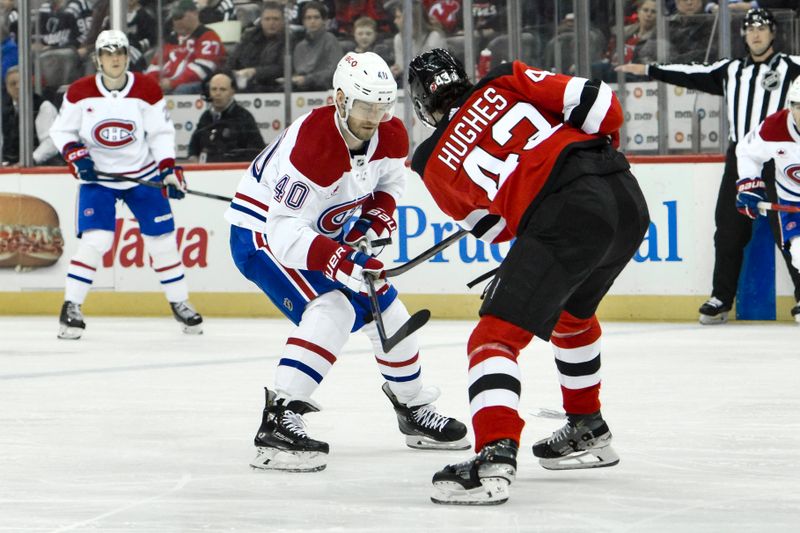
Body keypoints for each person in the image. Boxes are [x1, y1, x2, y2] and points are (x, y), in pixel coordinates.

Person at [408, 49, 650, 505]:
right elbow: (603, 107)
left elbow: (495, 229)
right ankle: (586, 426)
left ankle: (493, 457)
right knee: (572, 317)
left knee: (492, 339)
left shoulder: (428, 160)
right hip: (624, 198)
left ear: (422, 105)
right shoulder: (504, 78)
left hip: (564, 217)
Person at [225, 51, 470, 472]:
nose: (374, 116)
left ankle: (411, 410)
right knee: (332, 308)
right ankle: (279, 418)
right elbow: (285, 235)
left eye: (382, 106)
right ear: (340, 99)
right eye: (364, 105)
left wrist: (373, 222)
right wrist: (340, 258)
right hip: (261, 236)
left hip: (320, 234)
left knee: (387, 310)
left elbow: (390, 183)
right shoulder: (314, 146)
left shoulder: (391, 134)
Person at [616, 7, 800, 324]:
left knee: (789, 230)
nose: (756, 33)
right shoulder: (730, 71)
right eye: (750, 28)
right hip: (741, 158)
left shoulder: (793, 68)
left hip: (782, 157)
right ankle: (721, 297)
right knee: (728, 229)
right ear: (744, 35)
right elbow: (690, 73)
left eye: (762, 28)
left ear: (773, 33)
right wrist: (650, 70)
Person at [49, 30, 203, 339]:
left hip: (141, 174)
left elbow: (160, 134)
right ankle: (71, 307)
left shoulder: (146, 89)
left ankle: (180, 302)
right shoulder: (80, 91)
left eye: (119, 52)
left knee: (162, 242)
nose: (115, 58)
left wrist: (168, 170)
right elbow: (61, 131)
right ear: (98, 58)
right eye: (108, 53)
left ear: (127, 56)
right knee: (96, 241)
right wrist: (77, 156)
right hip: (99, 178)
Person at [734, 77, 800, 322]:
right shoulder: (774, 127)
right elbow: (746, 151)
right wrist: (750, 184)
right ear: (790, 106)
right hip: (793, 204)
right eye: (798, 106)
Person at [145, 0, 225, 94]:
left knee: (182, 90)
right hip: (166, 85)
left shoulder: (208, 36)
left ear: (195, 13)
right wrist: (153, 84)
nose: (176, 22)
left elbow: (203, 70)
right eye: (174, 18)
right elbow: (155, 66)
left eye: (180, 17)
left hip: (193, 85)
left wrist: (172, 83)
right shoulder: (170, 40)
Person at [187, 72, 265, 163]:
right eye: (214, 89)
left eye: (222, 89)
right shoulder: (206, 117)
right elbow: (193, 147)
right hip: (206, 173)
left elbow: (257, 151)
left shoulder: (244, 117)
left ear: (232, 91)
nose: (217, 93)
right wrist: (193, 158)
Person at [2, 66, 60, 166]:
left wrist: (32, 160)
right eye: (12, 84)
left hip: (40, 166)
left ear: (29, 84)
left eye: (21, 83)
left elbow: (51, 142)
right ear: (7, 88)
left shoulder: (43, 106)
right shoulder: (3, 109)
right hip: (8, 166)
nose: (17, 87)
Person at [280, 1, 342, 91]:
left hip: (325, 91)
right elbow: (299, 72)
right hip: (302, 90)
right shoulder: (300, 46)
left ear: (324, 20)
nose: (312, 21)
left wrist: (307, 79)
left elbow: (334, 71)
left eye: (316, 17)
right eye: (308, 18)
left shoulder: (331, 40)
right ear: (303, 21)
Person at [226, 1, 286, 93]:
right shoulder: (249, 36)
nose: (271, 23)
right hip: (243, 82)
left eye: (276, 19)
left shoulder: (288, 39)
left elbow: (282, 68)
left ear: (283, 21)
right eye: (267, 19)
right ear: (261, 20)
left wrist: (254, 72)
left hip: (271, 85)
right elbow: (233, 60)